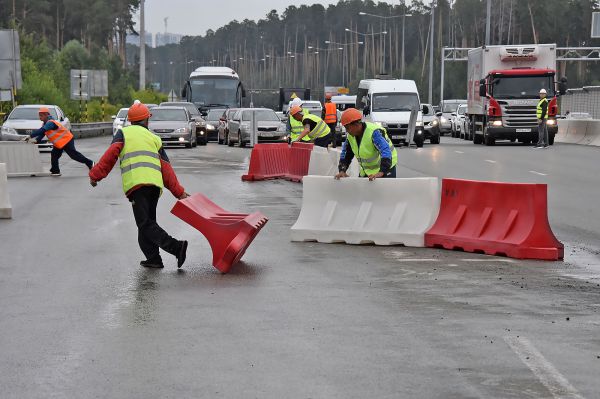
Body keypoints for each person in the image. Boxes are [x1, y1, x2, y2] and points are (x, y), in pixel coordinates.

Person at [89, 101, 190, 269]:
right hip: (154, 187)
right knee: (147, 223)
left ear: (130, 120)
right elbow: (166, 168)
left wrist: (95, 176)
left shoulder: (124, 134)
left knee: (145, 224)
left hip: (137, 185)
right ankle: (153, 258)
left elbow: (109, 157)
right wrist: (179, 192)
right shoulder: (154, 138)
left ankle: (177, 247)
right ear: (147, 120)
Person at [27, 107, 94, 176]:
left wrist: (30, 136)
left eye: (41, 115)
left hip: (67, 140)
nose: (40, 117)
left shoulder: (50, 123)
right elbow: (41, 135)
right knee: (54, 154)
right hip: (59, 143)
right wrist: (35, 141)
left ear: (47, 115)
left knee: (74, 155)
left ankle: (90, 163)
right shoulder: (45, 124)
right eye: (39, 115)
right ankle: (55, 171)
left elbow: (42, 130)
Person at [335, 108, 398, 181]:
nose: (347, 131)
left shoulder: (374, 133)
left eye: (348, 128)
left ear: (356, 124)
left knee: (384, 192)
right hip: (368, 171)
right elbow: (346, 155)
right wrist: (342, 170)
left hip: (387, 167)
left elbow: (385, 151)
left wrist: (382, 172)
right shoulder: (350, 137)